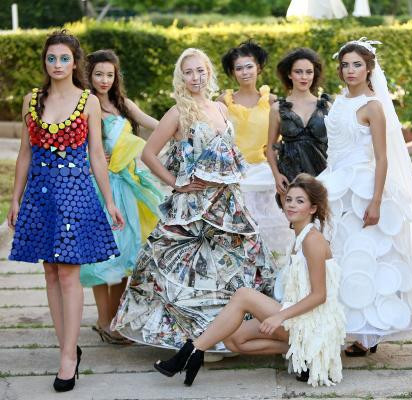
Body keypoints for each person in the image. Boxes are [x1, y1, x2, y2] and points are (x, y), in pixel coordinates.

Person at [111, 48, 277, 352]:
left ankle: (225, 335)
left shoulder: (221, 108)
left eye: (200, 70)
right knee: (190, 272)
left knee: (230, 268)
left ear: (208, 73)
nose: (195, 77)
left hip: (227, 205)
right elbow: (149, 154)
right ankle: (192, 339)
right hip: (192, 207)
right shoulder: (178, 112)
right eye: (188, 72)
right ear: (181, 77)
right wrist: (177, 183)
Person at [7, 30, 124, 392]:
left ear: (75, 63)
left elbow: (97, 155)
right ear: (45, 62)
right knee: (50, 272)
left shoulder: (88, 102)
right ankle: (67, 346)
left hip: (75, 194)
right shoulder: (31, 100)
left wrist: (109, 201)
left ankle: (68, 359)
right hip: (40, 196)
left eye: (64, 58)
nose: (57, 64)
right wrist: (15, 198)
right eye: (51, 58)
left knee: (69, 274)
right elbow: (25, 153)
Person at [153, 174, 346, 387]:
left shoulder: (313, 240)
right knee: (233, 339)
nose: (291, 205)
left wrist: (279, 316)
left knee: (244, 295)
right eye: (289, 199)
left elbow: (319, 295)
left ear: (312, 208)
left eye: (300, 201)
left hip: (312, 323)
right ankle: (304, 353)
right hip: (299, 319)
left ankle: (192, 352)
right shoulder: (300, 238)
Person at [319, 38, 412, 356]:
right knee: (338, 254)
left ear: (368, 69)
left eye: (357, 65)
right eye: (345, 65)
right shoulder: (338, 101)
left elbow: (382, 158)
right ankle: (340, 324)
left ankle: (368, 333)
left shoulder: (373, 106)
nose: (350, 70)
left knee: (365, 253)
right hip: (334, 183)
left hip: (362, 188)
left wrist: (376, 201)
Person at [80, 49, 163, 345]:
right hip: (96, 187)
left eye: (109, 75)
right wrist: (91, 157)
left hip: (125, 189)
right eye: (98, 74)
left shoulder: (122, 104)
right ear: (89, 75)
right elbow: (72, 144)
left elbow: (154, 123)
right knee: (100, 258)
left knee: (125, 256)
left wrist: (183, 123)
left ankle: (115, 320)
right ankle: (104, 321)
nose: (104, 80)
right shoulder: (83, 104)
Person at [217, 40, 292, 255]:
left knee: (272, 236)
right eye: (239, 68)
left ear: (258, 68)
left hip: (266, 174)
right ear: (233, 73)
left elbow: (281, 141)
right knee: (239, 238)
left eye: (249, 66)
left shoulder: (272, 101)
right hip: (234, 175)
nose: (245, 72)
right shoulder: (223, 102)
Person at [266, 48, 330, 199]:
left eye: (309, 72)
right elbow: (270, 148)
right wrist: (277, 175)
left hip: (323, 177)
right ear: (289, 74)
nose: (304, 77)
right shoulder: (277, 109)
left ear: (314, 74)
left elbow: (337, 145)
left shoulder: (326, 107)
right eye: (298, 72)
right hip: (290, 178)